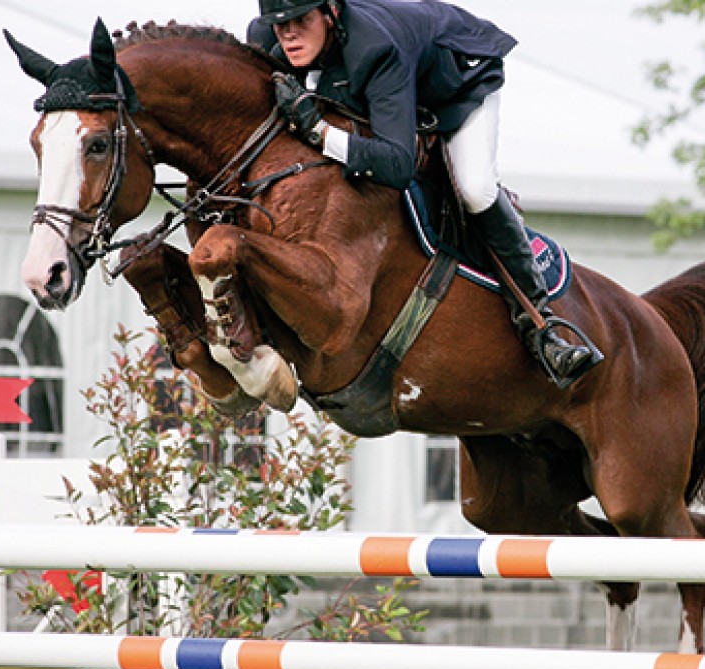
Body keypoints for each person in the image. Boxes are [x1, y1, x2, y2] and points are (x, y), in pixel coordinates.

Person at [249, 0, 602, 388]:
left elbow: (397, 166)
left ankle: (541, 324)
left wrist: (319, 132)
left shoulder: (374, 48)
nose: (290, 35)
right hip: (395, 83)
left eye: (301, 21)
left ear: (331, 12)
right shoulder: (264, 40)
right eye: (280, 25)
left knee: (474, 188)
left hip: (457, 83)